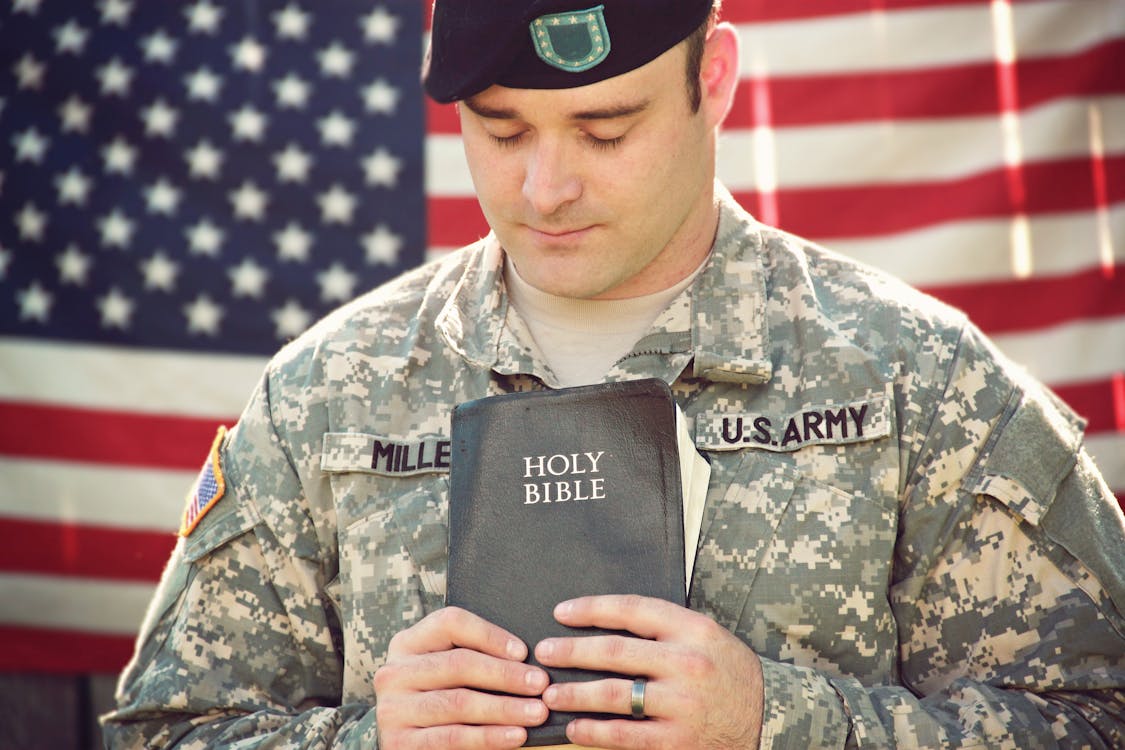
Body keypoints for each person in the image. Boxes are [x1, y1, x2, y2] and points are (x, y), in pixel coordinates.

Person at [102, 1, 1125, 747]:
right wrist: (368, 742)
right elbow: (164, 733)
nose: (545, 187)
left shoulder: (917, 380)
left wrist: (783, 724)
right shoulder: (324, 396)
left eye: (607, 127)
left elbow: (1098, 714)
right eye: (501, 130)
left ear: (711, 80)